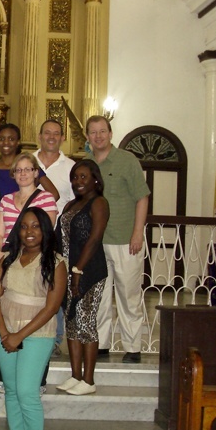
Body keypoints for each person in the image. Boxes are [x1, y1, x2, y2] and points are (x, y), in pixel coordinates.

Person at [0, 207, 67, 430]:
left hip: (37, 332)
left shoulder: (56, 261)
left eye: (35, 226)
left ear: (45, 229)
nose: (28, 231)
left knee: (26, 392)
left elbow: (52, 307)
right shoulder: (7, 257)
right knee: (11, 390)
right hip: (5, 329)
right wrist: (4, 332)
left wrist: (18, 336)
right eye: (23, 226)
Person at [86, 116, 150, 363]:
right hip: (97, 243)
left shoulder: (127, 161)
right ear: (88, 137)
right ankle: (101, 344)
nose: (98, 136)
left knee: (128, 296)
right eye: (93, 132)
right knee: (100, 296)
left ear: (110, 134)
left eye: (102, 131)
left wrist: (137, 232)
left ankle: (132, 347)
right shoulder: (87, 164)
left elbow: (142, 198)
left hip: (125, 240)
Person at [55, 160, 109, 396]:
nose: (78, 181)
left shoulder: (99, 203)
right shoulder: (70, 205)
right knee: (71, 323)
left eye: (83, 177)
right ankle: (76, 375)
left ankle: (89, 380)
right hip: (67, 271)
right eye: (75, 177)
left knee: (86, 322)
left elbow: (94, 239)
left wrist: (77, 271)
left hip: (90, 271)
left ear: (95, 179)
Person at [33, 118, 76, 358]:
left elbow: (73, 200)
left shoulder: (70, 166)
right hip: (26, 233)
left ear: (62, 138)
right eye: (47, 132)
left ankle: (56, 338)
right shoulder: (27, 160)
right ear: (39, 136)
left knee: (55, 285)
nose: (51, 137)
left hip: (57, 233)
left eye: (56, 133)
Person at [0, 123, 58, 238]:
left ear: (18, 142)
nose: (6, 142)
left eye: (11, 139)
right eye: (1, 139)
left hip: (21, 223)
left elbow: (54, 194)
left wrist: (30, 213)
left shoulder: (27, 167)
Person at [0, 153, 58, 262]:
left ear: (36, 172)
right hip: (7, 255)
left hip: (34, 257)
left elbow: (46, 232)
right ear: (14, 174)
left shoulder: (47, 198)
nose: (23, 173)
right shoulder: (6, 200)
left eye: (27, 169)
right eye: (18, 170)